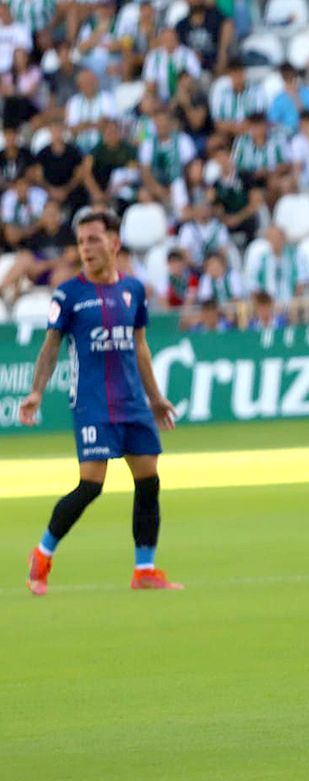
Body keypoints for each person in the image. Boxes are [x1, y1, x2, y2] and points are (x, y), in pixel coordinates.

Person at [18, 210, 181, 595]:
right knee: (91, 485)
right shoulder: (69, 294)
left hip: (133, 402)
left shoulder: (134, 290)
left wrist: (155, 399)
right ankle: (42, 555)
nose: (86, 248)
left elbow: (140, 346)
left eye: (94, 239)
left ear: (114, 243)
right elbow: (51, 346)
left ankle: (144, 569)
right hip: (92, 403)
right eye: (81, 242)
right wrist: (37, 392)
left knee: (148, 480)